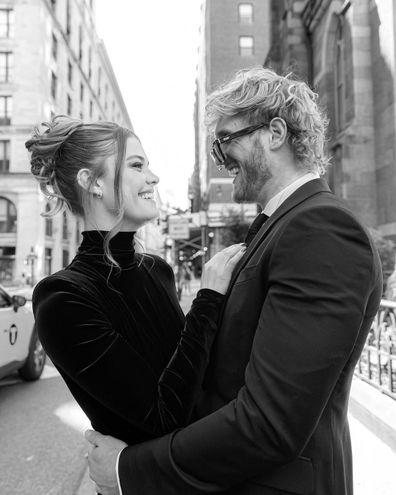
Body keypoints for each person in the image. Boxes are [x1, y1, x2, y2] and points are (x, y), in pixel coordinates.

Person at [86, 67, 383, 495]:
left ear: (275, 133)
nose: (222, 162)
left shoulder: (319, 227)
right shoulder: (284, 225)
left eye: (226, 143)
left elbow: (270, 422)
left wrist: (128, 469)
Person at [25, 116, 245, 480]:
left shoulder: (157, 270)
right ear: (92, 182)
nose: (153, 178)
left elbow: (200, 380)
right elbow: (164, 417)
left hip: (204, 474)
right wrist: (207, 299)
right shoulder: (62, 298)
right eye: (136, 165)